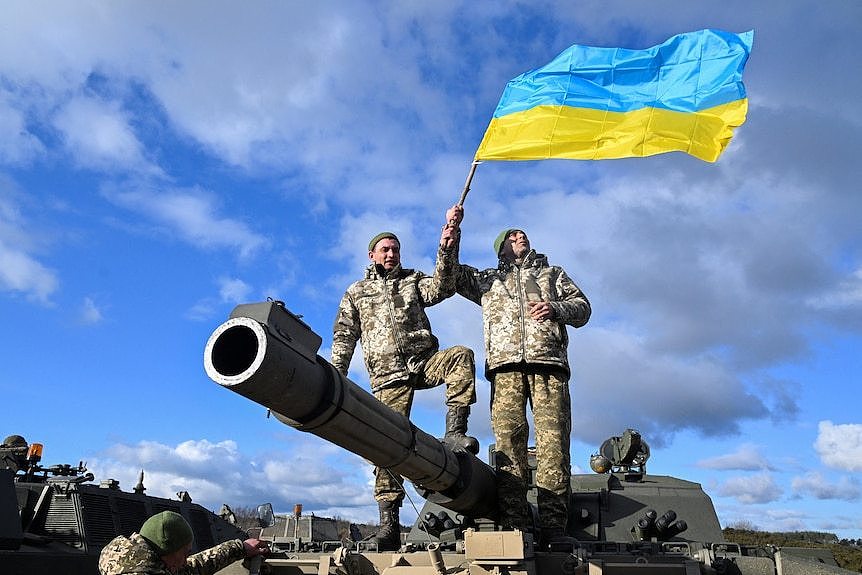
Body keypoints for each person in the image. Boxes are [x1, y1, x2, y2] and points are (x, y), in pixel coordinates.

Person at [331, 214, 478, 551]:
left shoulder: (412, 281)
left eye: (395, 249)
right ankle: (389, 525)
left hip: (422, 362)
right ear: (372, 255)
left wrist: (447, 245)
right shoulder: (357, 292)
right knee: (386, 446)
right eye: (385, 249)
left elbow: (444, 285)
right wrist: (336, 375)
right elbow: (344, 336)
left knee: (460, 356)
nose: (391, 254)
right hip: (387, 376)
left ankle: (455, 431)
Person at [451, 205, 591, 548]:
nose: (520, 237)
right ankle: (516, 525)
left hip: (549, 367)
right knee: (508, 448)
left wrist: (556, 308)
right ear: (501, 248)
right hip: (505, 369)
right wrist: (451, 236)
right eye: (512, 236)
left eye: (523, 235)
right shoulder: (488, 280)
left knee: (553, 447)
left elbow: (583, 308)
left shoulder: (552, 274)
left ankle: (554, 528)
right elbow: (451, 275)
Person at [98, 510, 269, 575]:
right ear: (168, 551)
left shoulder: (145, 562)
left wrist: (239, 548)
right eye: (185, 552)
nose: (187, 558)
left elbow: (193, 567)